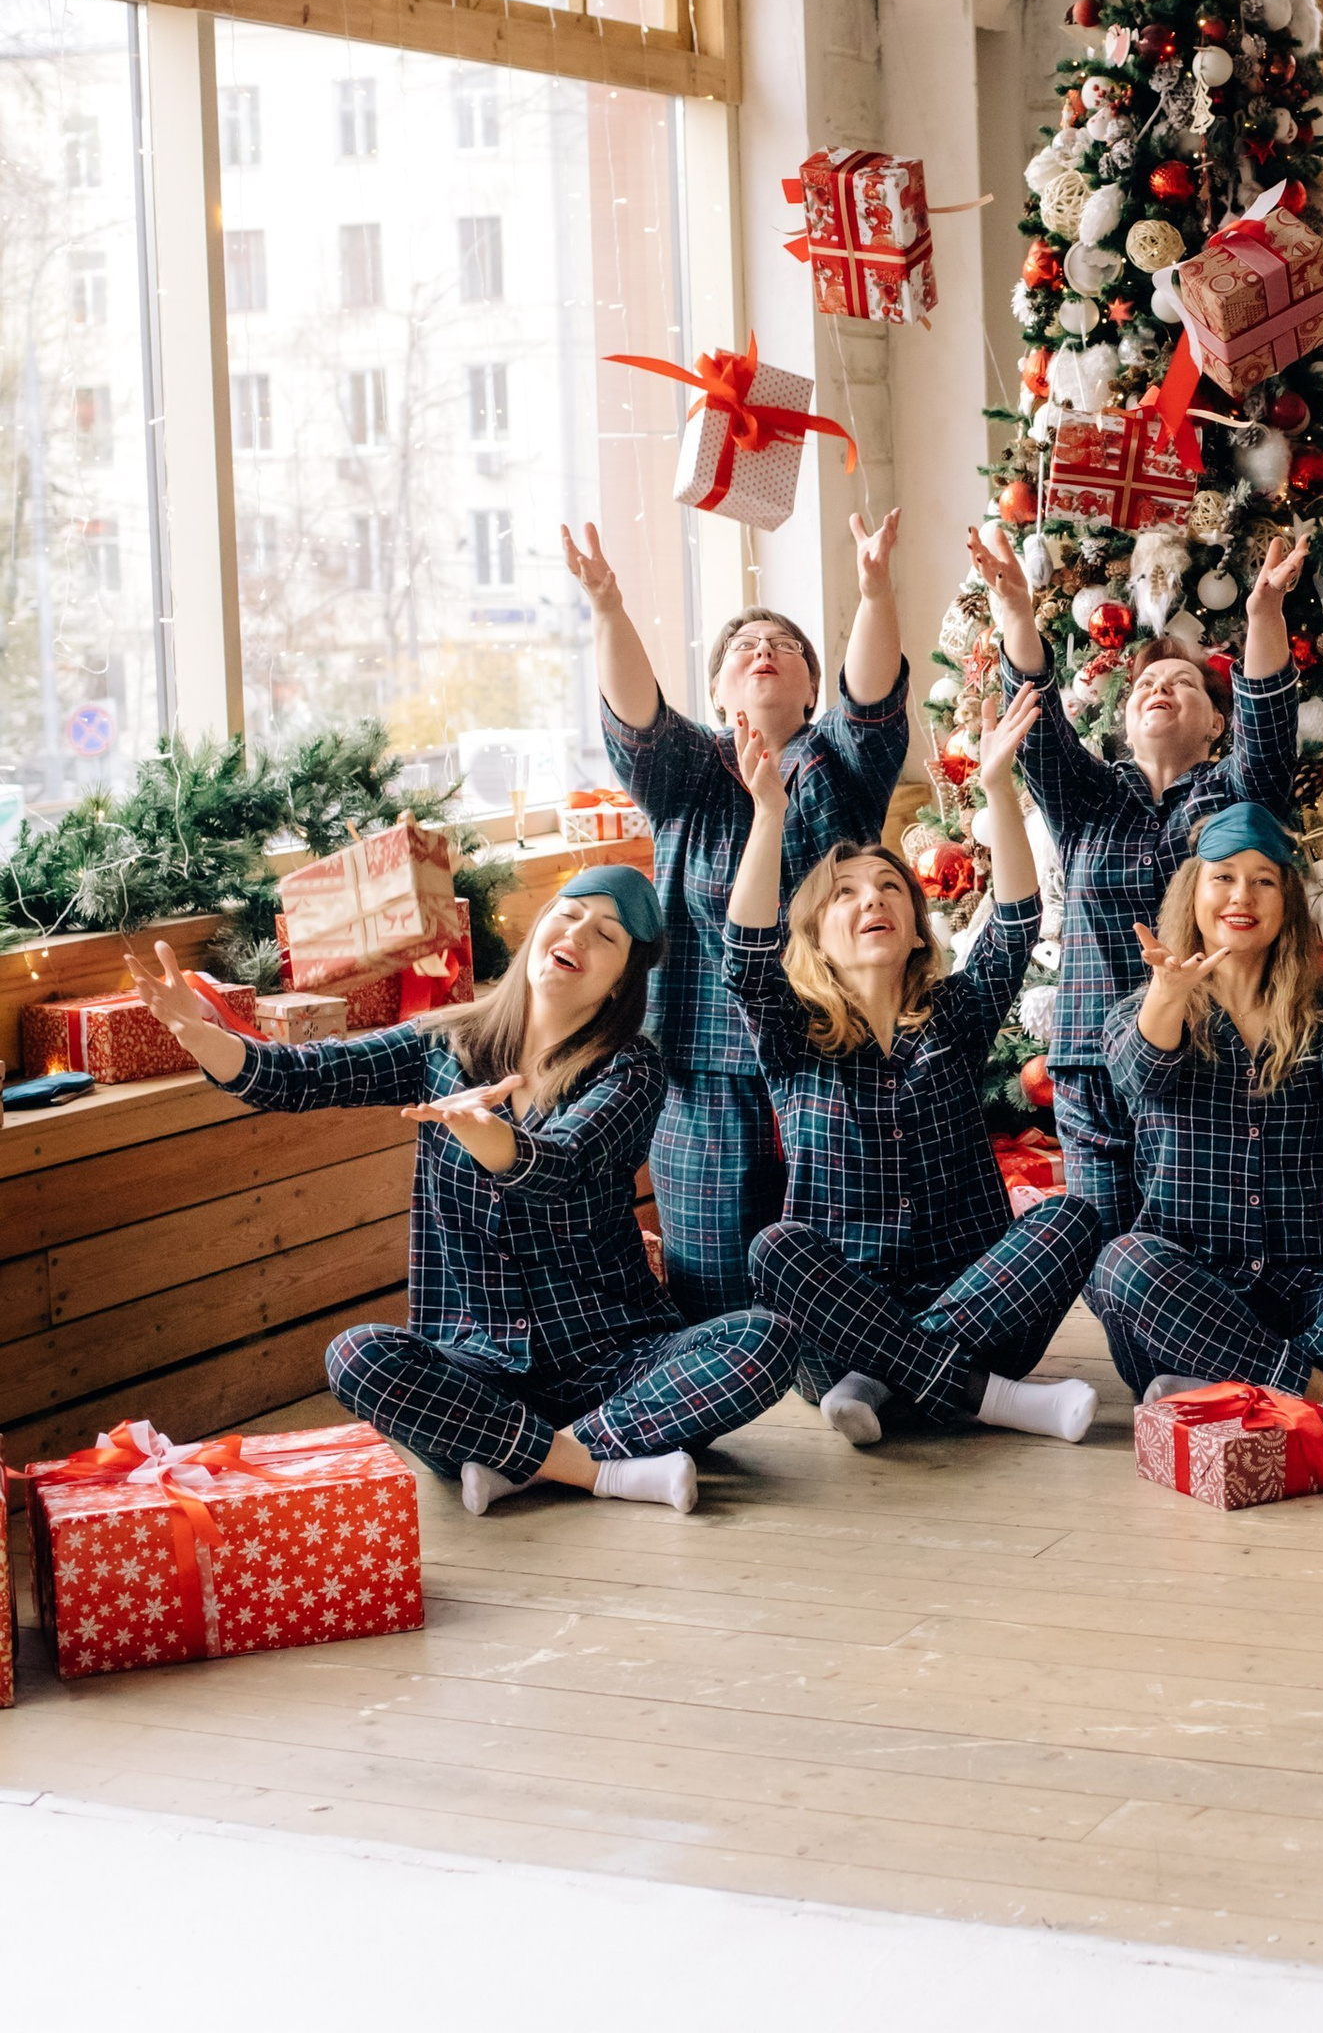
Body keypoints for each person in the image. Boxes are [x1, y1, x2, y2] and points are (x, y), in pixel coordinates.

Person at [131, 865, 790, 1517]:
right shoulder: (446, 1044)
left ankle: (519, 1467)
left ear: (623, 979)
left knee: (764, 1339)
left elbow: (564, 1169)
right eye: (570, 912)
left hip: (615, 1360)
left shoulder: (631, 1070)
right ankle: (596, 1468)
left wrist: (492, 1138)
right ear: (540, 929)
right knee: (356, 1357)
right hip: (481, 1371)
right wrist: (205, 1037)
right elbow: (308, 1075)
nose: (580, 933)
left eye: (608, 934)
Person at [728, 685, 1104, 1450]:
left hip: (977, 1306)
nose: (874, 901)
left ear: (915, 927)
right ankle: (985, 1399)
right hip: (838, 1322)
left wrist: (997, 786)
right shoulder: (791, 1034)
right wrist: (769, 814)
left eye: (891, 887)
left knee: (1071, 1216)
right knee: (775, 1250)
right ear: (816, 934)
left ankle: (891, 1377)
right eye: (847, 894)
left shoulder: (955, 1019)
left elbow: (1014, 923)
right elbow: (744, 953)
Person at [563, 511, 908, 1324]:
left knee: (836, 1270)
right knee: (714, 1287)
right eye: (745, 648)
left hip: (837, 1053)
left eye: (785, 647)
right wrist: (609, 607)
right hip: (704, 1063)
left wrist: (874, 587)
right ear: (718, 689)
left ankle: (849, 1376)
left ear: (812, 689)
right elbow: (636, 714)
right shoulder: (689, 770)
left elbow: (872, 692)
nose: (764, 651)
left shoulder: (842, 763)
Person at [1085, 803, 1323, 1422]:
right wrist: (1167, 995)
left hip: (1305, 1286)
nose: (1243, 895)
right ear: (1194, 893)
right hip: (1186, 1286)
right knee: (1122, 1264)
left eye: (1264, 880)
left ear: (1287, 903)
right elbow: (1141, 1075)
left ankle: (1219, 1385)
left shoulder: (1320, 1012)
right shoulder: (1144, 1007)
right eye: (1224, 877)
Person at [968, 521, 1306, 1231]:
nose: (1160, 688)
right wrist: (1019, 617)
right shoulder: (1089, 796)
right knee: (1106, 1252)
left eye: (1183, 683)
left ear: (1217, 723)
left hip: (1199, 1061)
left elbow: (1271, 729)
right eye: (1146, 683)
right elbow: (1041, 720)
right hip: (1092, 1061)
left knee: (1181, 1249)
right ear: (1124, 715)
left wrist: (1265, 615)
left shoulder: (1234, 794)